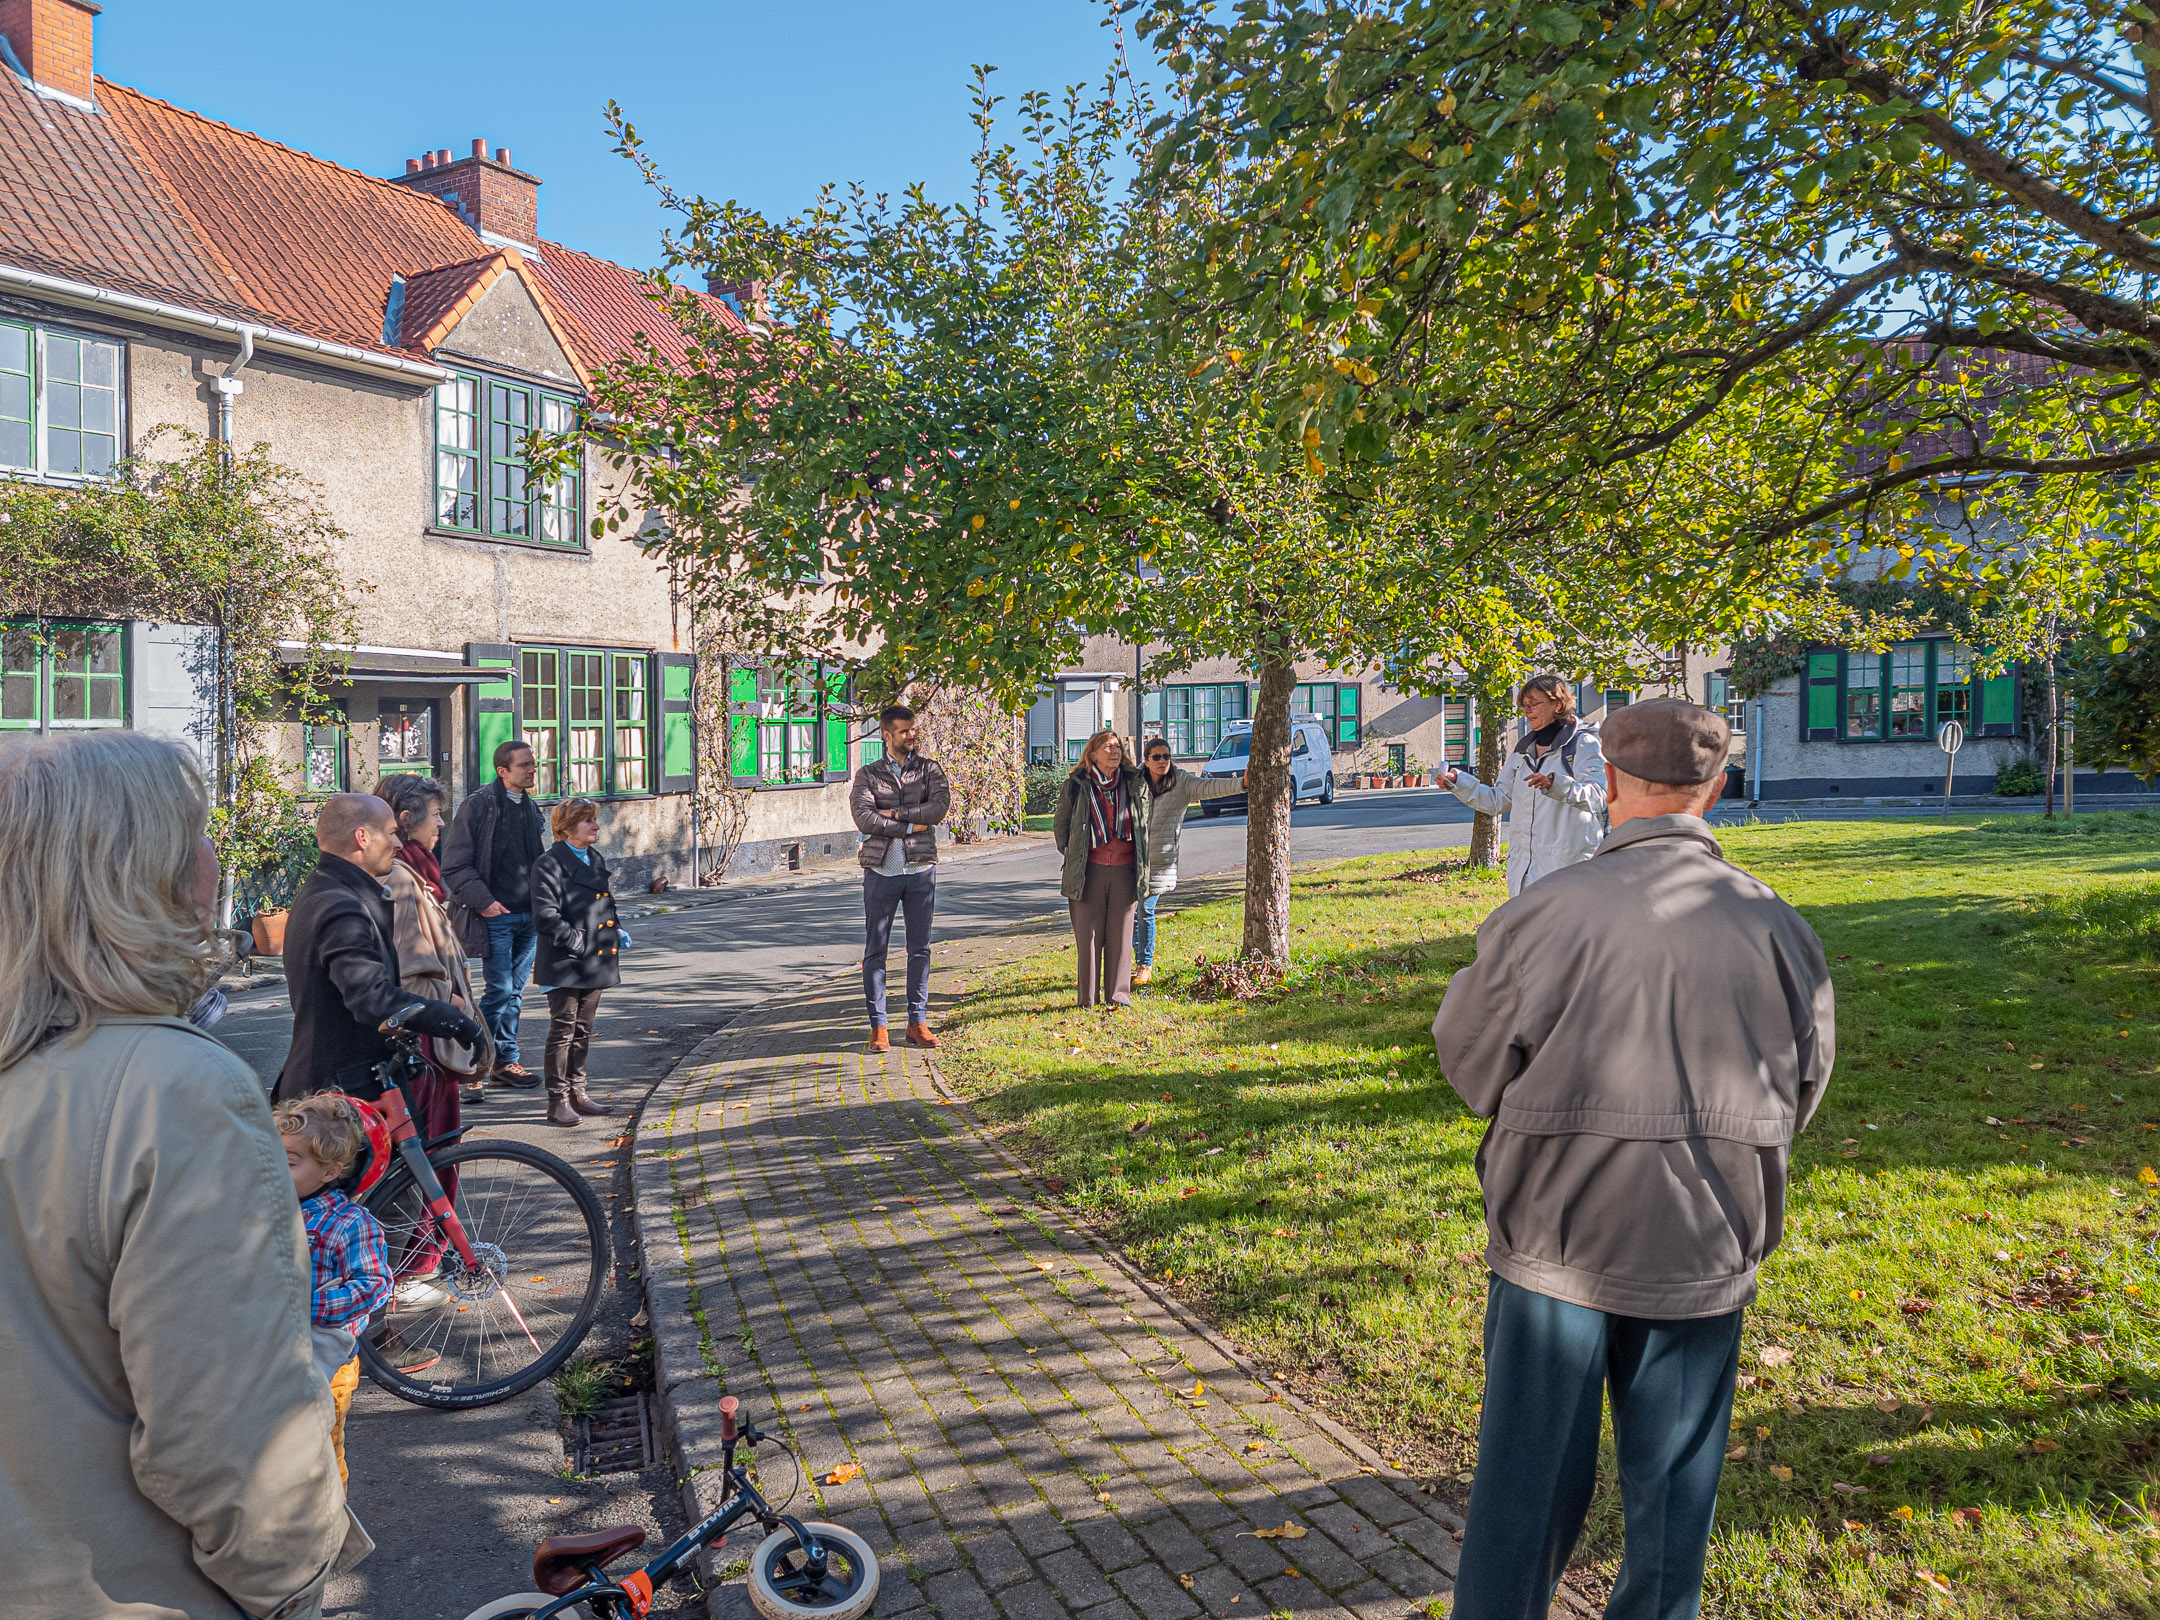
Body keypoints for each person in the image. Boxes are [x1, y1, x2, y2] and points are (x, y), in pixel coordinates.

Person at [1429, 698, 1836, 1620]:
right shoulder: (1778, 927)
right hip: (1703, 1241)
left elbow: (1473, 1062)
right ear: (1716, 789)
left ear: (1607, 784)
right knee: (1669, 1517)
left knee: (1520, 1507)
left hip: (1554, 1243)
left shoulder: (1545, 913)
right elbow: (1804, 1086)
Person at [0, 731, 354, 1619]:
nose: (213, 863)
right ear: (142, 874)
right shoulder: (175, 1092)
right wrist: (296, 1581)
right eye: (198, 835)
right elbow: (232, 1450)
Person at [277, 793, 483, 1103]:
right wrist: (449, 1019)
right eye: (390, 833)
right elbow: (371, 997)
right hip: (339, 1093)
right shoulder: (340, 906)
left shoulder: (330, 888)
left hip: (347, 1081)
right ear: (362, 837)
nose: (399, 844)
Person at [277, 1093, 393, 1490]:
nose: (274, 1167)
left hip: (327, 1364)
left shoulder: (348, 1223)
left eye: (290, 1162)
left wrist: (306, 1305)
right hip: (269, 1355)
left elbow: (375, 1284)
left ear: (330, 1170)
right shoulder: (261, 1208)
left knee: (322, 1453)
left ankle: (331, 1528)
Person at [440, 739, 549, 1089]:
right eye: (525, 765)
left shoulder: (530, 808)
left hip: (527, 915)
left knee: (514, 993)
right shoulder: (479, 806)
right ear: (503, 771)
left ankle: (505, 1061)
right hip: (495, 916)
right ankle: (474, 1064)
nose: (533, 769)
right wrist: (484, 902)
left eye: (534, 763)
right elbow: (455, 866)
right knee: (499, 991)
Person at [380, 774, 487, 1127]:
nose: (441, 823)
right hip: (422, 1038)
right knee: (431, 1140)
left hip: (429, 1032)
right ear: (407, 820)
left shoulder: (418, 868)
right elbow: (403, 974)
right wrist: (449, 1001)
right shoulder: (399, 877)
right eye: (435, 813)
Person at [1441, 673, 1606, 894]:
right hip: (1524, 870)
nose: (1526, 711)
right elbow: (1498, 800)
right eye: (1524, 705)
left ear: (1557, 705)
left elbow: (1599, 796)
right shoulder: (1523, 750)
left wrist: (1556, 785)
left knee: (1562, 929)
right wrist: (1457, 781)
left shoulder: (1583, 744)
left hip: (1568, 867)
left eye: (1533, 704)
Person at [850, 704, 951, 1052]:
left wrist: (892, 813)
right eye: (905, 731)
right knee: (875, 950)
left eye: (914, 729)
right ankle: (878, 1027)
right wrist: (909, 824)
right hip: (881, 871)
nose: (912, 735)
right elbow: (863, 817)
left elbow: (938, 808)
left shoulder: (929, 770)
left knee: (919, 949)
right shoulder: (868, 774)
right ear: (887, 735)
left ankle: (917, 1022)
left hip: (920, 869)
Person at [530, 797, 628, 1128]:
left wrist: (617, 930)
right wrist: (576, 941)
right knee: (563, 1030)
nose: (596, 826)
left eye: (594, 820)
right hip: (566, 960)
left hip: (596, 957)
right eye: (587, 821)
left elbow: (603, 906)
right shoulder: (549, 864)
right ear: (567, 828)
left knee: (583, 1031)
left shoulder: (594, 857)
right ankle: (557, 1100)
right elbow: (545, 916)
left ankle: (578, 1092)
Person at [1131, 735, 1245, 986]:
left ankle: (1144, 964)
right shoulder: (1133, 782)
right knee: (1130, 911)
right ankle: (1134, 960)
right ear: (1146, 760)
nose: (1163, 762)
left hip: (1160, 860)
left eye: (1167, 756)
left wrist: (1242, 783)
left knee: (1146, 909)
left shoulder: (1181, 782)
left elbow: (1210, 787)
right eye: (1157, 757)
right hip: (1132, 858)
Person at [1054, 729, 1153, 1009]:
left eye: (1117, 746)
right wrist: (1074, 853)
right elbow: (1061, 826)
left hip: (1125, 869)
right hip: (1088, 870)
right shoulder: (1076, 784)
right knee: (1089, 937)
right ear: (1092, 753)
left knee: (1121, 936)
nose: (1114, 751)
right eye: (1108, 747)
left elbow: (1146, 822)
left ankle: (1118, 996)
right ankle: (1087, 999)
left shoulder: (1134, 782)